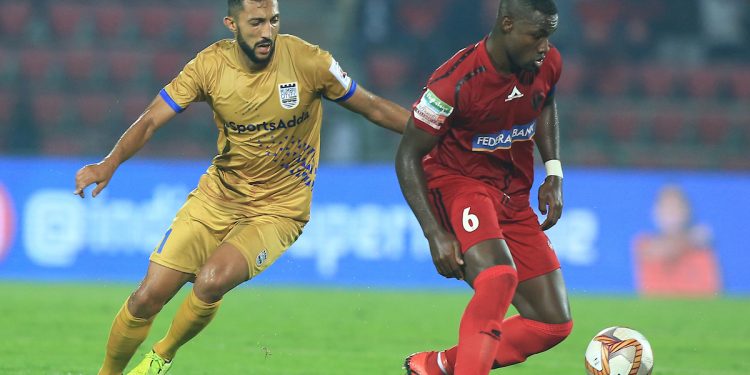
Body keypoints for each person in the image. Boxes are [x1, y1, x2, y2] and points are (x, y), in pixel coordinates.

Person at [74, 1, 410, 374]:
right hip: (218, 197)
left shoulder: (310, 61)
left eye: (273, 21)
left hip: (278, 211)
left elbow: (373, 107)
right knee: (146, 298)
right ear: (231, 24)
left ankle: (160, 357)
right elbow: (152, 118)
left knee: (210, 281)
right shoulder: (209, 66)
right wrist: (111, 162)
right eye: (256, 23)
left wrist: (433, 132)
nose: (267, 31)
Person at [395, 1, 572, 374]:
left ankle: (437, 366)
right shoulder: (453, 81)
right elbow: (408, 156)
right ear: (507, 24)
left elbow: (545, 103)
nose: (545, 46)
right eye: (538, 35)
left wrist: (553, 171)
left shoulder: (546, 62)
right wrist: (435, 233)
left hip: (514, 196)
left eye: (549, 36)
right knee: (498, 279)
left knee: (552, 322)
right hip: (459, 184)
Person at [633, 184, 721, 296]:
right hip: (657, 311)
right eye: (666, 208)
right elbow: (661, 251)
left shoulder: (702, 251)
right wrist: (690, 239)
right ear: (655, 212)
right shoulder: (644, 244)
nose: (671, 214)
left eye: (676, 208)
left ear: (687, 212)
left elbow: (714, 291)